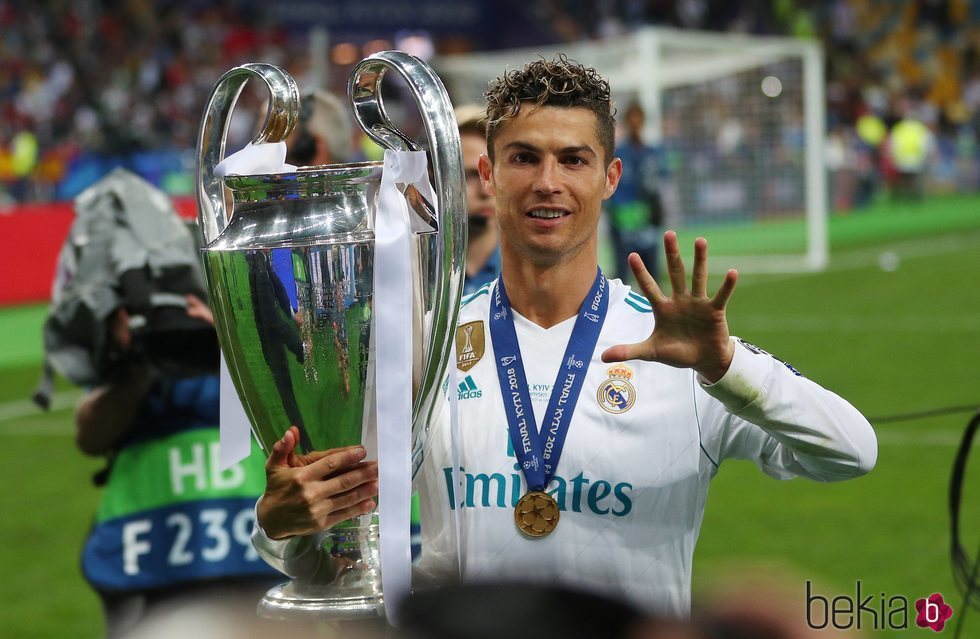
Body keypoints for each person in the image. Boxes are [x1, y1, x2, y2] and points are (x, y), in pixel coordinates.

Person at [252, 56, 877, 619]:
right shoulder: (428, 345)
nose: (548, 182)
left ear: (610, 177)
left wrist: (728, 366)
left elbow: (852, 452)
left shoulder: (681, 355)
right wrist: (285, 526)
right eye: (525, 157)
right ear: (488, 174)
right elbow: (330, 556)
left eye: (574, 159)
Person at [76, 295, 298, 639]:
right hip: (147, 554)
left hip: (256, 548)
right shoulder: (135, 325)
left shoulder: (253, 315)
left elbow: (297, 420)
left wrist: (233, 346)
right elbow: (90, 436)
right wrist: (140, 361)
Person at [605, 102, 667, 282]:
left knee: (652, 278)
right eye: (632, 118)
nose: (635, 122)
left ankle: (656, 311)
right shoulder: (617, 153)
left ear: (643, 121)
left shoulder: (652, 153)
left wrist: (656, 212)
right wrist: (616, 214)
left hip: (647, 221)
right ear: (626, 121)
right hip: (622, 222)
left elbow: (659, 186)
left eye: (638, 118)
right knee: (621, 277)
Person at [455, 103, 502, 294]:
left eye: (492, 174)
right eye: (471, 175)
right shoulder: (416, 276)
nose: (485, 191)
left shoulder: (530, 275)